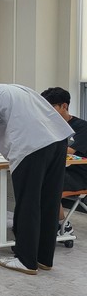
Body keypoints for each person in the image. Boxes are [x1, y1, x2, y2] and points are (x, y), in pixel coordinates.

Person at [0, 77, 73, 275]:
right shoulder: (17, 88)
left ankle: (26, 260)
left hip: (31, 148)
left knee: (28, 203)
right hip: (58, 142)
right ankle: (44, 259)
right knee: (49, 202)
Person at [41, 87, 87, 236]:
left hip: (79, 174)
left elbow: (68, 151)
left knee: (45, 181)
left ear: (64, 106)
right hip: (57, 168)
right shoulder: (48, 125)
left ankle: (63, 225)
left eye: (51, 107)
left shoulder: (82, 127)